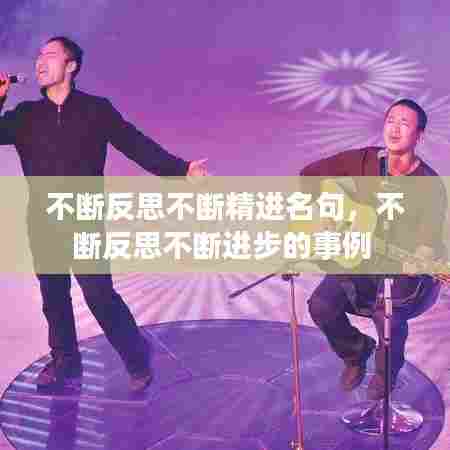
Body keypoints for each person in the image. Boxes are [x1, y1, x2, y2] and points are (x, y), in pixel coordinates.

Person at [0, 36, 208, 393]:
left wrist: (181, 169)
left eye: (50, 55)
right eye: (38, 56)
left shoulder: (96, 110)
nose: (40, 62)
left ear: (71, 65)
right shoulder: (25, 116)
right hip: (42, 221)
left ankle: (136, 356)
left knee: (98, 294)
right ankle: (65, 361)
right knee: (54, 296)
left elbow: (135, 144)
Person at [299, 98, 447, 400]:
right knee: (321, 305)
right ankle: (355, 350)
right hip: (359, 258)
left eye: (404, 123)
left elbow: (427, 241)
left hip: (400, 269)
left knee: (386, 314)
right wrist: (331, 211)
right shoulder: (364, 160)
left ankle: (386, 374)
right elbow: (309, 175)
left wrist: (420, 259)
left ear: (419, 135)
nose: (395, 129)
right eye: (391, 120)